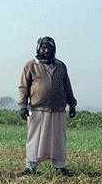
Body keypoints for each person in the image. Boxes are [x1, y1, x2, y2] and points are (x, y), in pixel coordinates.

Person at [18, 36, 77, 176]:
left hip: (58, 110)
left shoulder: (60, 66)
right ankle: (31, 167)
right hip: (38, 109)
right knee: (34, 139)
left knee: (58, 139)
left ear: (54, 50)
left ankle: (60, 166)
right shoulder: (31, 65)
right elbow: (23, 87)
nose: (46, 51)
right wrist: (22, 105)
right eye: (43, 48)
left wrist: (72, 104)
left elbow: (67, 86)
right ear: (38, 49)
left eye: (49, 48)